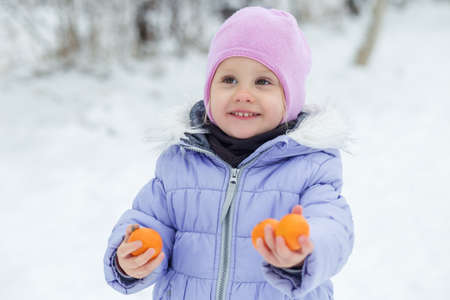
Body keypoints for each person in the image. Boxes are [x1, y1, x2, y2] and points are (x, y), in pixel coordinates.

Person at [103, 6, 354, 300]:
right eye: (229, 80)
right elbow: (146, 220)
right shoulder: (181, 162)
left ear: (292, 97)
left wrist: (303, 251)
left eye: (263, 82)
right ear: (209, 91)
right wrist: (130, 257)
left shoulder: (310, 167)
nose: (243, 94)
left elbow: (333, 228)